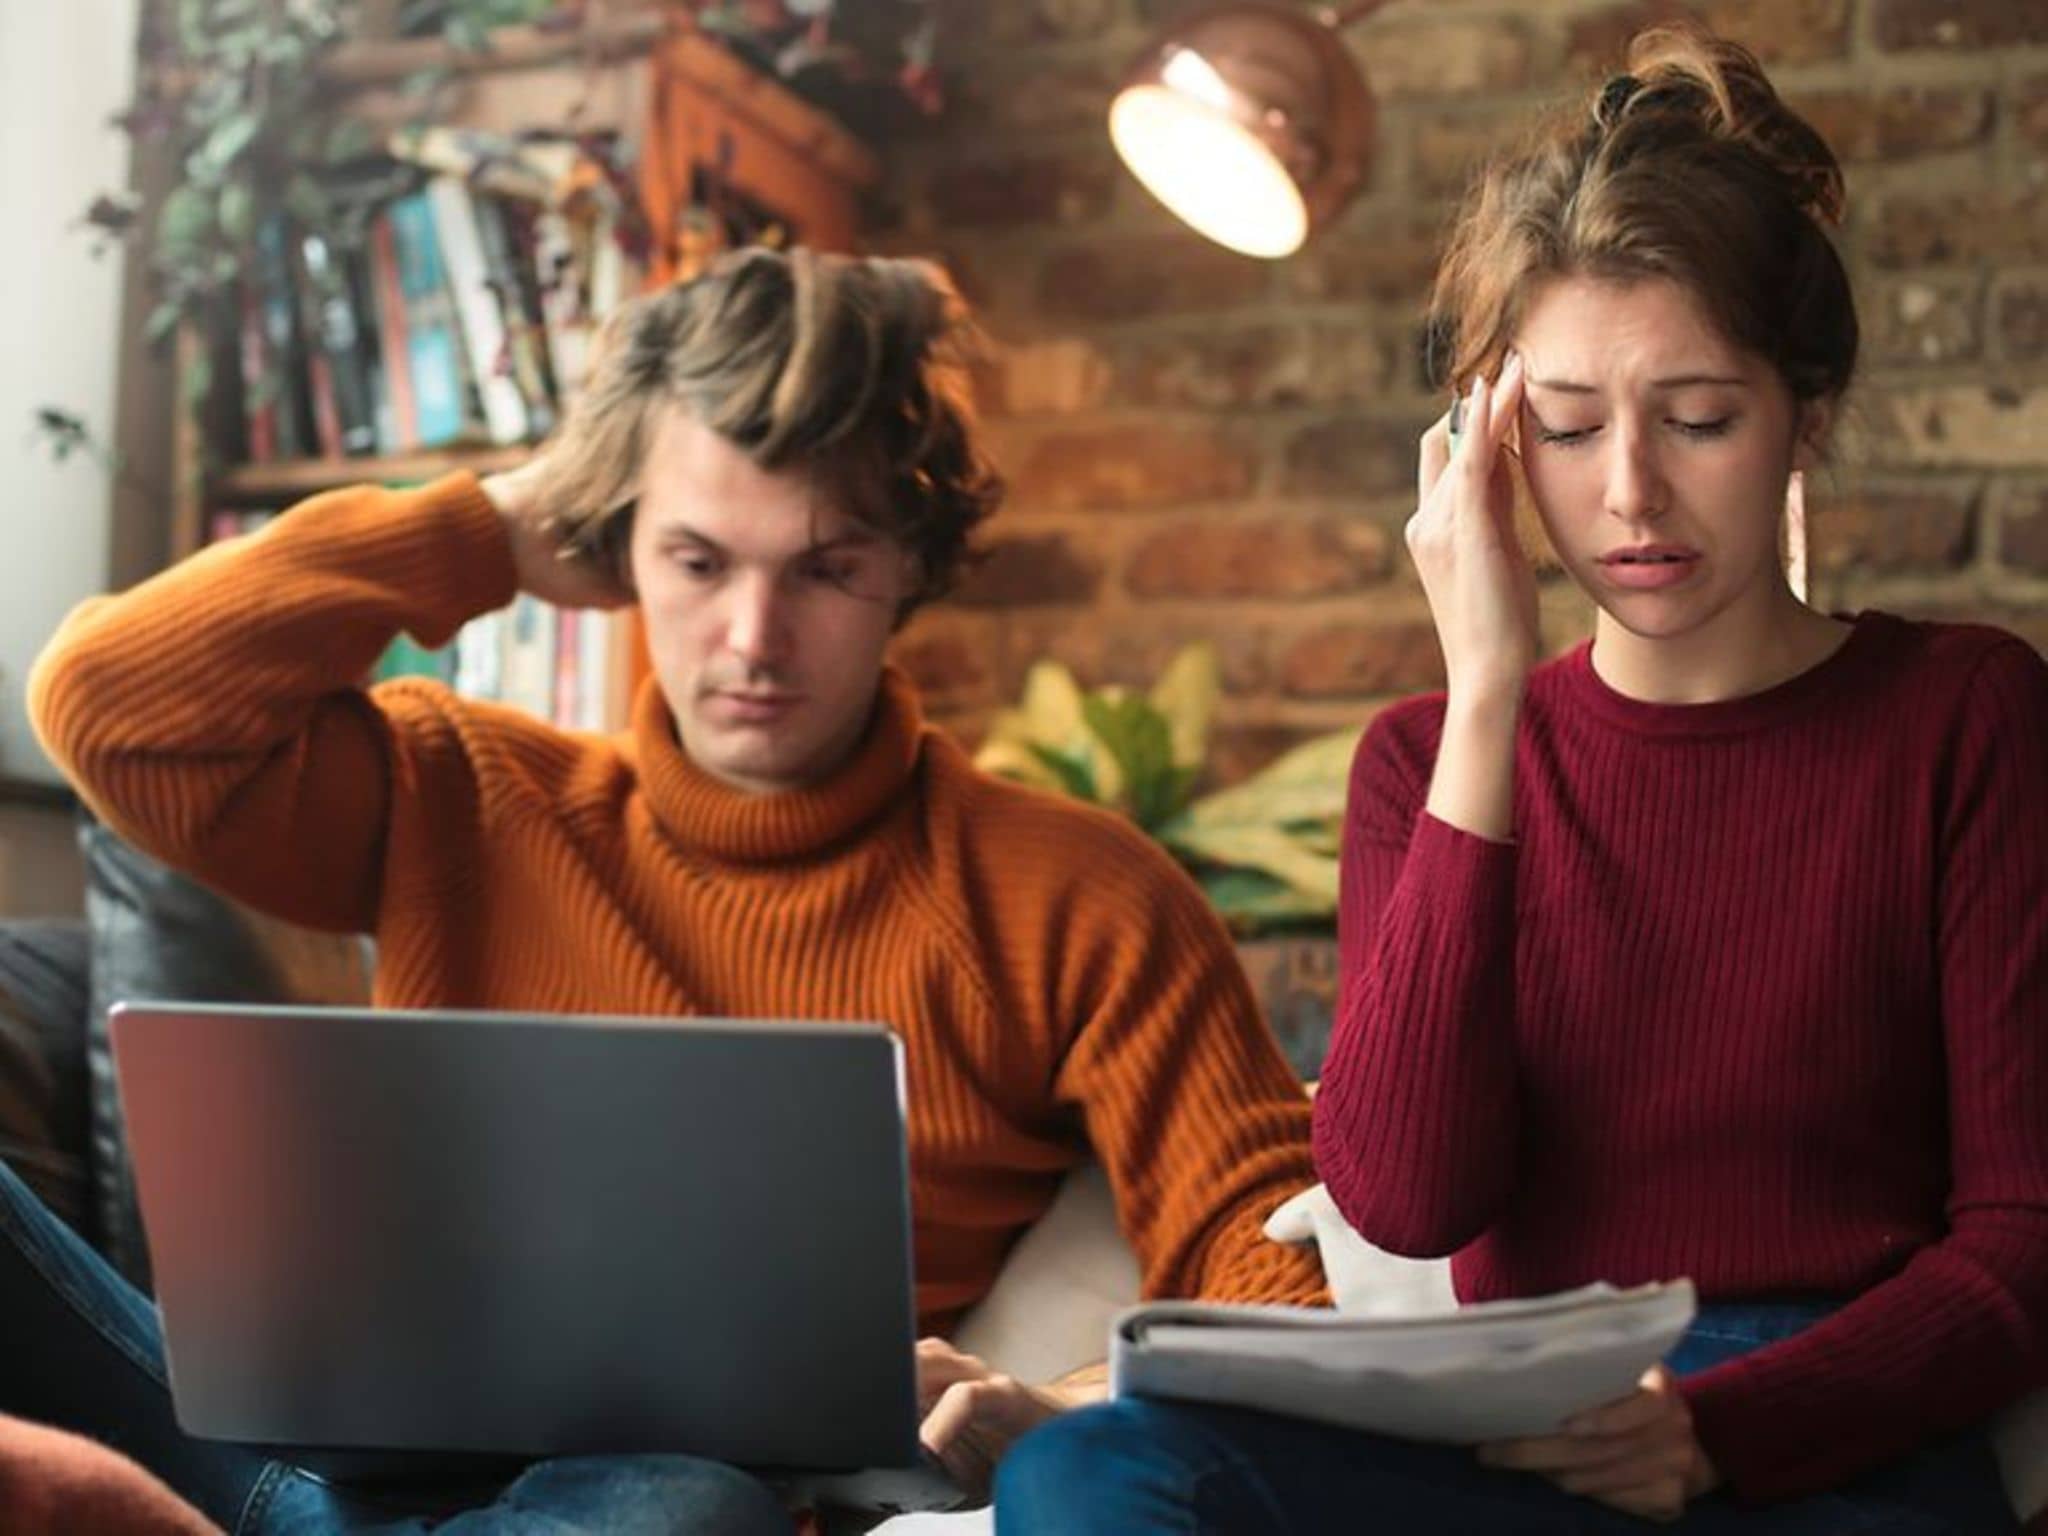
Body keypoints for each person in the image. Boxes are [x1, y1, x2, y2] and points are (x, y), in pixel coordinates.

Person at [15, 247, 1327, 1533]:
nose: (752, 640)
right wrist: (491, 530)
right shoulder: (456, 788)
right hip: (298, 1464)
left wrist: (1068, 1407)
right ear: (614, 550)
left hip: (675, 1492)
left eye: (824, 569)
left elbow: (1273, 1256)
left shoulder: (1071, 895)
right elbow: (110, 708)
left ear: (911, 571)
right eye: (698, 561)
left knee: (683, 1498)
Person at [996, 23, 2047, 1535]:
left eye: (1698, 419)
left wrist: (1719, 1426)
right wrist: (1487, 694)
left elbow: (2023, 1239)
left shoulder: (1964, 718)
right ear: (1492, 440)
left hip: (1823, 1438)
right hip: (1519, 1423)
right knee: (1088, 1471)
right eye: (1566, 427)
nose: (1628, 492)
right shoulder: (1423, 763)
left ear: (1805, 414)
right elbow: (1408, 1204)